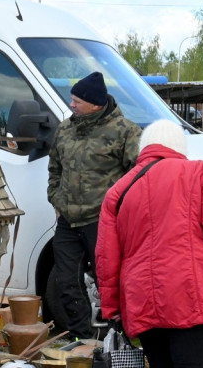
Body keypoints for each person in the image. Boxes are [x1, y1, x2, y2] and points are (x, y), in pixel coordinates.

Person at [96, 119, 203, 368]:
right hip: (187, 289)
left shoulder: (119, 190)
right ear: (179, 145)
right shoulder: (197, 173)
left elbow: (107, 257)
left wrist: (111, 307)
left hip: (140, 296)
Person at [47, 71, 140, 339]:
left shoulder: (126, 131)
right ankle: (82, 340)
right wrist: (56, 197)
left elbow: (140, 174)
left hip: (103, 221)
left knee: (109, 283)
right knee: (65, 282)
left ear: (96, 104)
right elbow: (54, 168)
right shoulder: (65, 128)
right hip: (68, 221)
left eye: (77, 100)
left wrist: (120, 210)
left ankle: (121, 341)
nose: (71, 105)